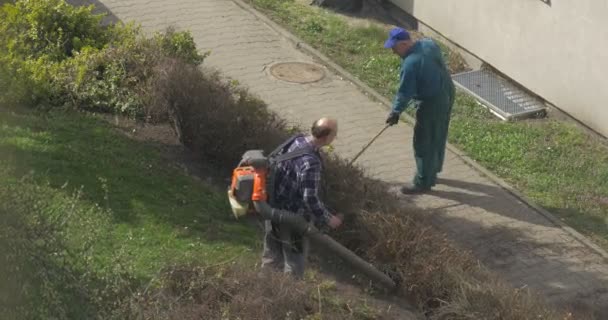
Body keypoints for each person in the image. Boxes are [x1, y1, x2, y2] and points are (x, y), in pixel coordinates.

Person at [260, 117, 343, 278]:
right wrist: (328, 219)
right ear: (326, 137)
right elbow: (309, 198)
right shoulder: (311, 162)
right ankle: (289, 297)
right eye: (335, 134)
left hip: (272, 208)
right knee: (294, 263)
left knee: (271, 255)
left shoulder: (296, 140)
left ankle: (264, 289)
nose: (335, 138)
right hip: (294, 219)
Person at [383, 27, 455, 194]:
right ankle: (434, 169)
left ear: (405, 43)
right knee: (439, 133)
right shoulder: (428, 44)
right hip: (447, 91)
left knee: (423, 141)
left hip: (432, 103)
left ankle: (423, 182)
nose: (393, 51)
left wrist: (395, 112)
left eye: (395, 47)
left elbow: (404, 91)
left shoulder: (410, 64)